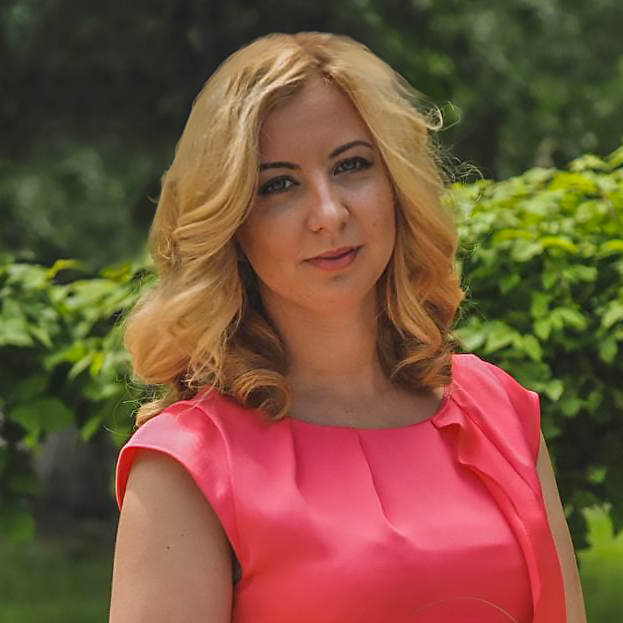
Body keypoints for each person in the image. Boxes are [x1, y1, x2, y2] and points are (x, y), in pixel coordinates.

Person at [108, 32, 586, 623]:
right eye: (278, 184)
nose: (330, 214)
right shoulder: (186, 464)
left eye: (351, 165)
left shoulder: (500, 411)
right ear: (231, 224)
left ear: (396, 187)